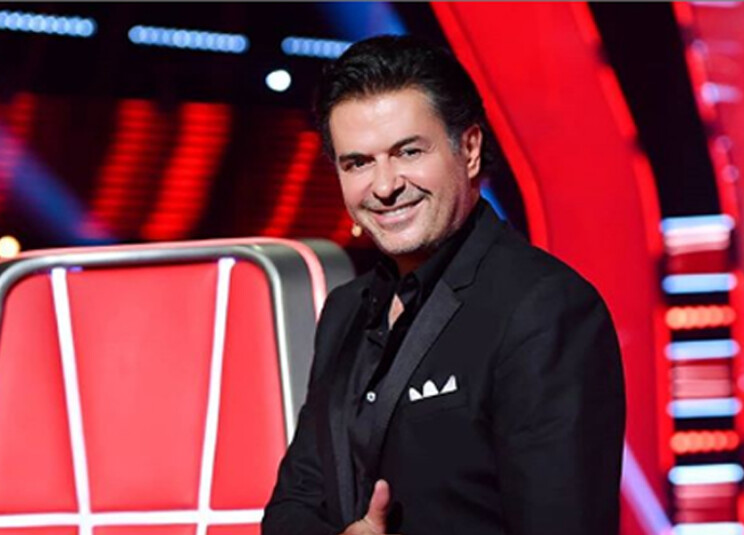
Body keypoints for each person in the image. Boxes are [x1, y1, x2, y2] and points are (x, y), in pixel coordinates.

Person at [262, 35, 625, 535]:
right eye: (358, 162)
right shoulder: (345, 310)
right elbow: (291, 509)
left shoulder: (544, 307)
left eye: (408, 152)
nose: (385, 185)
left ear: (469, 149)